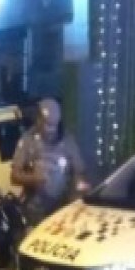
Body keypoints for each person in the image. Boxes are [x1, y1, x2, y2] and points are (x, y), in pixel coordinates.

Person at [10, 97, 90, 227]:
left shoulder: (67, 140)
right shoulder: (27, 140)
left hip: (61, 210)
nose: (51, 130)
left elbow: (79, 172)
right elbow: (14, 176)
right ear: (38, 120)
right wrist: (33, 179)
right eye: (47, 125)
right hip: (34, 211)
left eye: (54, 126)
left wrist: (79, 187)